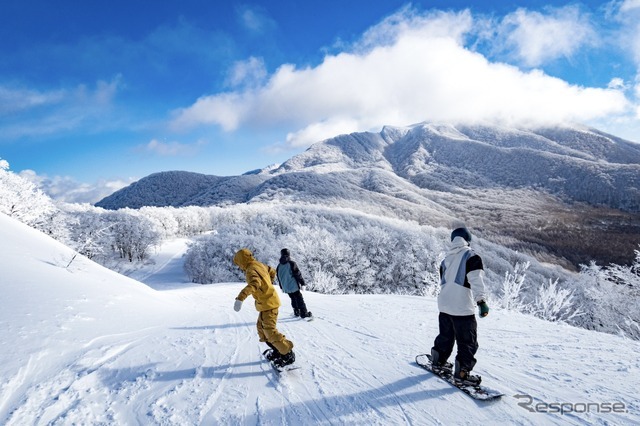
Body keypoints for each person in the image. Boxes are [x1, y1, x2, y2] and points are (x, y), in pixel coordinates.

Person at [430, 227, 490, 385]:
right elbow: (476, 281)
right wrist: (481, 302)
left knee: (445, 337)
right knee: (467, 342)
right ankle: (462, 373)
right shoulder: (471, 256)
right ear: (467, 239)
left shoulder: (445, 259)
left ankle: (438, 362)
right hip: (462, 308)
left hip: (444, 305)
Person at [233, 248, 295, 367]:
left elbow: (254, 284)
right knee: (261, 329)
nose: (239, 267)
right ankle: (278, 350)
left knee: (269, 331)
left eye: (238, 264)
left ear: (242, 261)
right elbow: (272, 271)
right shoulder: (258, 264)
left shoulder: (250, 270)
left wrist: (240, 298)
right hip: (266, 303)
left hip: (269, 304)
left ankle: (287, 353)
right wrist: (268, 284)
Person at [276, 248, 312, 319]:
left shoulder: (279, 266)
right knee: (299, 298)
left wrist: (281, 287)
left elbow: (279, 278)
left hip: (286, 287)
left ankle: (296, 312)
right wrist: (302, 283)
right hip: (293, 285)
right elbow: (297, 274)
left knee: (293, 298)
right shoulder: (291, 263)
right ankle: (304, 313)